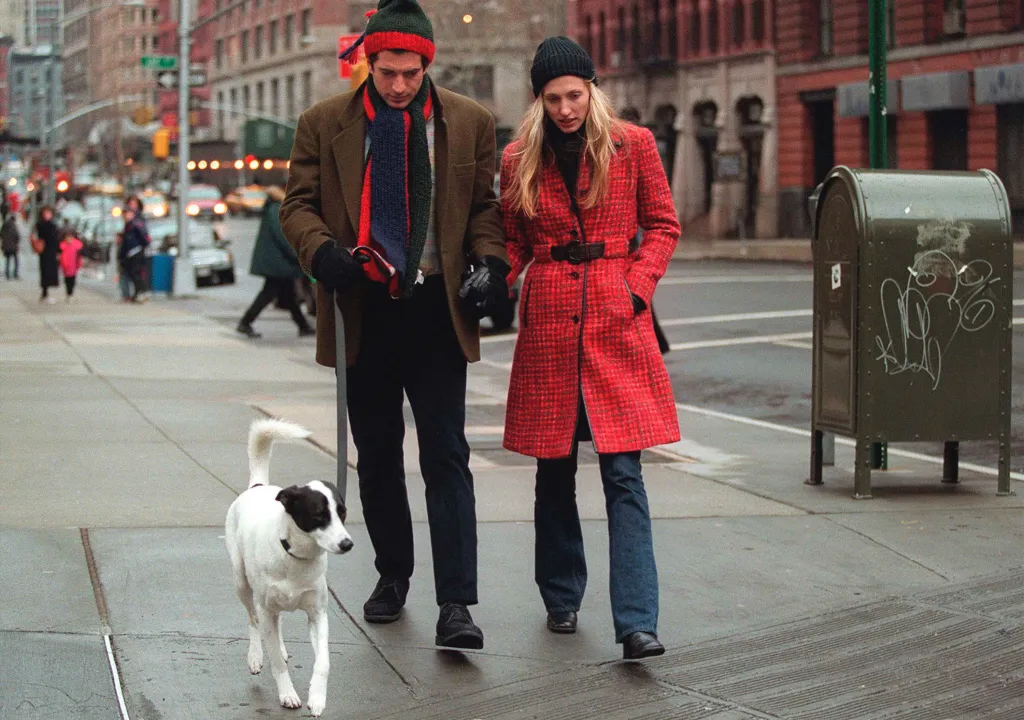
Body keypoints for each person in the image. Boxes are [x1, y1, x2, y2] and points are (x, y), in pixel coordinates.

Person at [280, 0, 509, 650]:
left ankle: (458, 603)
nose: (400, 85)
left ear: (426, 63)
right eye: (387, 72)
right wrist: (322, 250)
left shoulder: (468, 122)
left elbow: (485, 209)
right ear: (368, 63)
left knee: (447, 458)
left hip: (438, 311)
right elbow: (295, 205)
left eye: (410, 72)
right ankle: (392, 575)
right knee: (377, 459)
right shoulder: (324, 123)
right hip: (363, 312)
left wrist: (490, 262)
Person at [499, 37, 681, 660]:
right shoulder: (520, 155)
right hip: (550, 321)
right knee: (553, 472)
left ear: (592, 89)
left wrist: (636, 289)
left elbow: (662, 225)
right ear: (539, 99)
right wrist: (492, 277)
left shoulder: (634, 146)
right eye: (553, 98)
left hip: (613, 317)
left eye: (575, 95)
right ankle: (561, 597)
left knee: (623, 474)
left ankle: (637, 622)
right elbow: (514, 240)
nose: (566, 109)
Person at [237, 186, 315, 338]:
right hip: (277, 261)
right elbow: (283, 236)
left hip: (276, 260)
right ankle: (246, 322)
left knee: (288, 294)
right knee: (269, 292)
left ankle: (303, 325)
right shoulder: (277, 210)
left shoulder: (273, 209)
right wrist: (296, 254)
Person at [118, 207, 150, 303]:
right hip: (130, 253)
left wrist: (141, 247)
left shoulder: (135, 225)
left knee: (136, 273)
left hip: (136, 252)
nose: (126, 216)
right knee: (133, 274)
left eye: (128, 214)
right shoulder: (128, 226)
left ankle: (141, 292)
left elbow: (144, 238)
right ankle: (137, 293)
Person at [34, 206, 61, 303]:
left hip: (51, 251)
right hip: (45, 252)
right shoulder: (41, 225)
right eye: (45, 213)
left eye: (49, 213)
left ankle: (46, 293)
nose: (47, 215)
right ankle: (44, 293)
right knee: (45, 272)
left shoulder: (53, 225)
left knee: (50, 272)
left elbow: (56, 239)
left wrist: (58, 251)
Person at [58, 227, 84, 301]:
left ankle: (71, 293)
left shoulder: (77, 246)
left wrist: (79, 264)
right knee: (67, 280)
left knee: (72, 280)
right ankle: (68, 293)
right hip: (65, 266)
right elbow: (61, 256)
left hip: (74, 265)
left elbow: (79, 256)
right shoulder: (63, 246)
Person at [1, 211, 20, 279]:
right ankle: (15, 274)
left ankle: (7, 274)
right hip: (13, 247)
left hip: (6, 246)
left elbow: (1, 235)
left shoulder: (4, 225)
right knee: (16, 261)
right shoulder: (13, 226)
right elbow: (17, 236)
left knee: (8, 260)